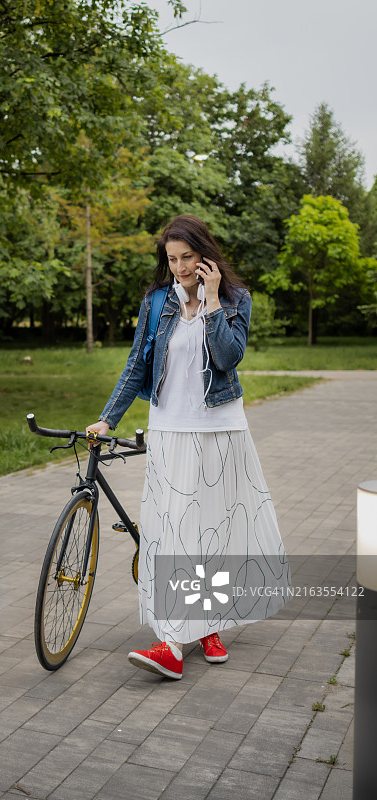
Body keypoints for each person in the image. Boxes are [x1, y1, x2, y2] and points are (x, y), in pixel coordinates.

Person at [86, 214, 290, 680]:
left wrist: (213, 301)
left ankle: (204, 629)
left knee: (211, 530)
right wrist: (107, 417)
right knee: (174, 531)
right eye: (171, 259)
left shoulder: (238, 299)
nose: (178, 268)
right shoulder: (157, 301)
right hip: (170, 430)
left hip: (220, 429)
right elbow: (137, 363)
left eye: (187, 258)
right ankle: (173, 641)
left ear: (205, 256)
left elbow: (228, 356)